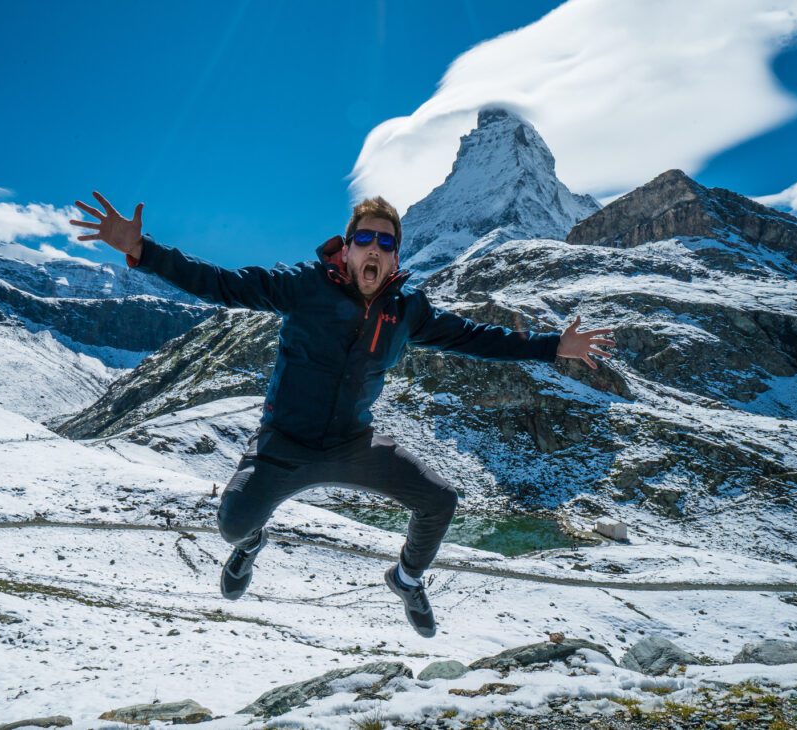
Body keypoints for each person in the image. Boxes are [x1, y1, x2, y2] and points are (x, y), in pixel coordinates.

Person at [70, 192, 615, 638]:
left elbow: (476, 339)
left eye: (386, 242)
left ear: (395, 258)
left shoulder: (408, 311)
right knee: (232, 523)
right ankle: (252, 544)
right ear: (347, 250)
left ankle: (405, 578)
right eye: (365, 239)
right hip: (284, 443)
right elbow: (219, 282)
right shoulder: (303, 287)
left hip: (353, 445)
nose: (374, 248)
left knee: (440, 500)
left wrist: (552, 348)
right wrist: (142, 249)